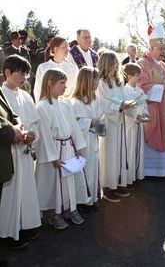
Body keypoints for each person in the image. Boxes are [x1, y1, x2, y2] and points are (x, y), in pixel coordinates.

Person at [35, 69, 89, 230]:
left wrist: (78, 146)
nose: (65, 87)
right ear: (50, 83)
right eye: (62, 83)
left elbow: (73, 126)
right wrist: (53, 157)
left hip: (68, 148)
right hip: (55, 150)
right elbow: (44, 134)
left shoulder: (65, 104)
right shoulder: (42, 107)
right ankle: (54, 213)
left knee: (69, 181)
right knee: (54, 183)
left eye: (65, 83)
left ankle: (70, 208)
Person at [0, 55, 41, 248]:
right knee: (11, 193)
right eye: (20, 72)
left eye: (26, 73)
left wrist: (32, 135)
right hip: (9, 153)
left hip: (24, 150)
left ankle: (26, 225)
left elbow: (33, 122)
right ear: (7, 72)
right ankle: (8, 232)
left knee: (25, 190)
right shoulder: (2, 95)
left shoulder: (25, 96)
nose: (24, 77)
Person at [137, 23, 165, 177]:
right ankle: (149, 171)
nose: (164, 52)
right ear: (152, 48)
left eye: (164, 48)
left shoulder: (163, 65)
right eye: (161, 48)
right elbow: (140, 87)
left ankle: (162, 170)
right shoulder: (141, 64)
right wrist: (162, 87)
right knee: (154, 135)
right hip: (152, 109)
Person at [97, 51, 136, 201]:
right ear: (106, 64)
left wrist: (129, 103)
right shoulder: (100, 82)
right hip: (107, 121)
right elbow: (103, 102)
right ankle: (107, 186)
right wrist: (120, 105)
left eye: (116, 64)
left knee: (119, 152)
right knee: (108, 153)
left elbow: (122, 97)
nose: (116, 66)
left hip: (119, 120)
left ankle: (119, 181)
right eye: (113, 64)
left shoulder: (119, 80)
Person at [71, 67, 104, 211]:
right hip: (83, 142)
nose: (98, 82)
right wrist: (90, 122)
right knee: (84, 170)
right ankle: (82, 201)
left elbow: (99, 118)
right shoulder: (76, 102)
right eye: (95, 79)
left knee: (93, 168)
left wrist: (99, 126)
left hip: (92, 138)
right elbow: (75, 123)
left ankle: (92, 198)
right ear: (87, 81)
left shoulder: (94, 99)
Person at [123, 63, 149, 184]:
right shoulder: (124, 90)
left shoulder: (140, 90)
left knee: (138, 148)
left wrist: (144, 115)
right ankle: (128, 177)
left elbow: (144, 106)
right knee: (130, 148)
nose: (140, 78)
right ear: (129, 76)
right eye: (137, 75)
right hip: (130, 125)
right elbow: (125, 108)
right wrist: (135, 116)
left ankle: (136, 174)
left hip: (139, 124)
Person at [34, 36, 78, 102]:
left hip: (67, 105)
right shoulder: (43, 67)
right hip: (48, 105)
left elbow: (75, 89)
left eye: (68, 47)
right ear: (56, 49)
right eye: (64, 47)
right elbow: (38, 89)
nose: (68, 50)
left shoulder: (73, 68)